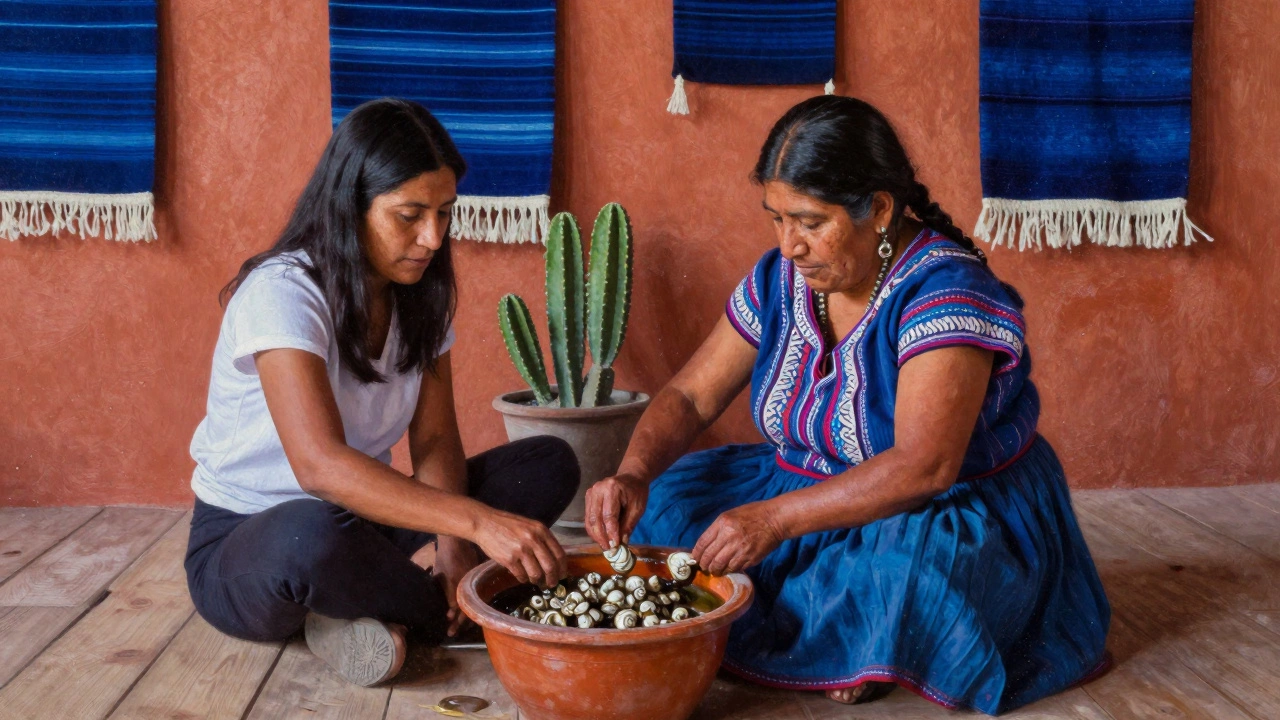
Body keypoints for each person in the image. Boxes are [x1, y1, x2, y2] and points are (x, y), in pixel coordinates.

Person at [584, 96, 1110, 714]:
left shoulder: (945, 292)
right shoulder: (782, 278)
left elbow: (924, 468)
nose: (789, 246)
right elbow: (691, 394)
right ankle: (845, 635)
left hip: (935, 506)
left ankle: (867, 636)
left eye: (810, 221)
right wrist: (634, 472)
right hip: (805, 483)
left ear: (879, 210)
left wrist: (773, 521)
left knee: (901, 578)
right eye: (775, 218)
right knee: (669, 508)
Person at [184, 98, 576, 687]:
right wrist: (477, 526)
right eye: (409, 215)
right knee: (309, 534)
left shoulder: (419, 294)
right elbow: (318, 467)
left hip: (359, 525)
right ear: (350, 206)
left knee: (548, 462)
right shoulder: (282, 291)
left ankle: (372, 608)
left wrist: (453, 544)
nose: (432, 237)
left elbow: (437, 438)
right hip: (251, 543)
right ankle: (445, 607)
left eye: (445, 213)